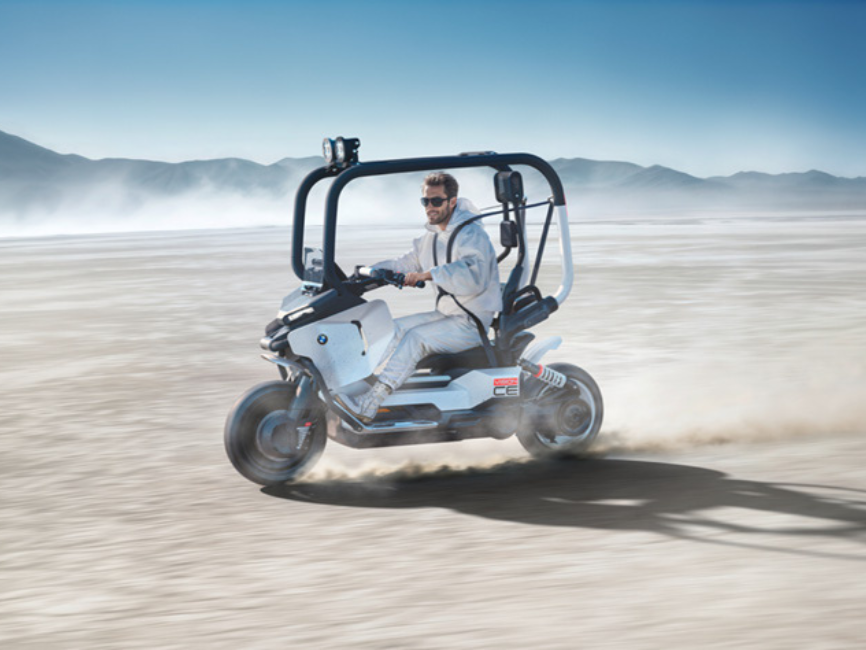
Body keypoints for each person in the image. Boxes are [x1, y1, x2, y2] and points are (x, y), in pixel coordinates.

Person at [336, 172, 502, 423]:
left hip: (471, 323)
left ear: (452, 202)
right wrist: (369, 271)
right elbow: (405, 263)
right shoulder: (432, 237)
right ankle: (355, 383)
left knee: (416, 339)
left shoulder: (472, 235)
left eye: (436, 201)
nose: (430, 207)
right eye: (425, 201)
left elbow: (473, 275)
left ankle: (370, 404)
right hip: (446, 315)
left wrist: (428, 275)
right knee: (393, 329)